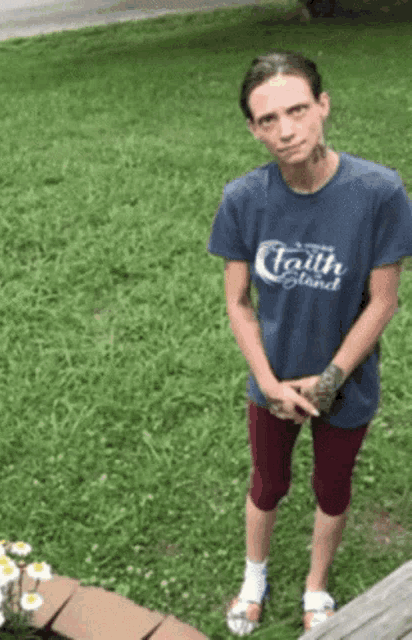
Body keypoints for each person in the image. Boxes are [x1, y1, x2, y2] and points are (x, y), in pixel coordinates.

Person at [206, 49, 412, 636]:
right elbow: (238, 301)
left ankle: (316, 584)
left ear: (323, 105)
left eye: (297, 109)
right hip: (271, 379)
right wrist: (270, 383)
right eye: (267, 119)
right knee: (267, 483)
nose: (285, 130)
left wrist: (328, 383)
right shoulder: (245, 199)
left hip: (346, 384)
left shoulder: (378, 192)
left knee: (333, 487)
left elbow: (383, 301)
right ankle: (254, 578)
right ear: (252, 128)